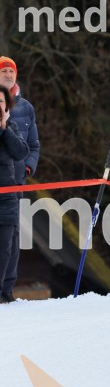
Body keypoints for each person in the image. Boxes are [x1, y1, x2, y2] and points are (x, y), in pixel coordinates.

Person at [0, 56, 40, 301]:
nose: (8, 74)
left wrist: (27, 168)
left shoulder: (25, 107)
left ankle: (7, 288)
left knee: (12, 238)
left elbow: (33, 145)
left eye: (11, 71)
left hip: (16, 183)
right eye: (3, 70)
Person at [0, 85, 29, 303]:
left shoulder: (11, 127)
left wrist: (4, 128)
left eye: (1, 102)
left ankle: (4, 292)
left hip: (7, 197)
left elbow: (22, 152)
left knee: (5, 249)